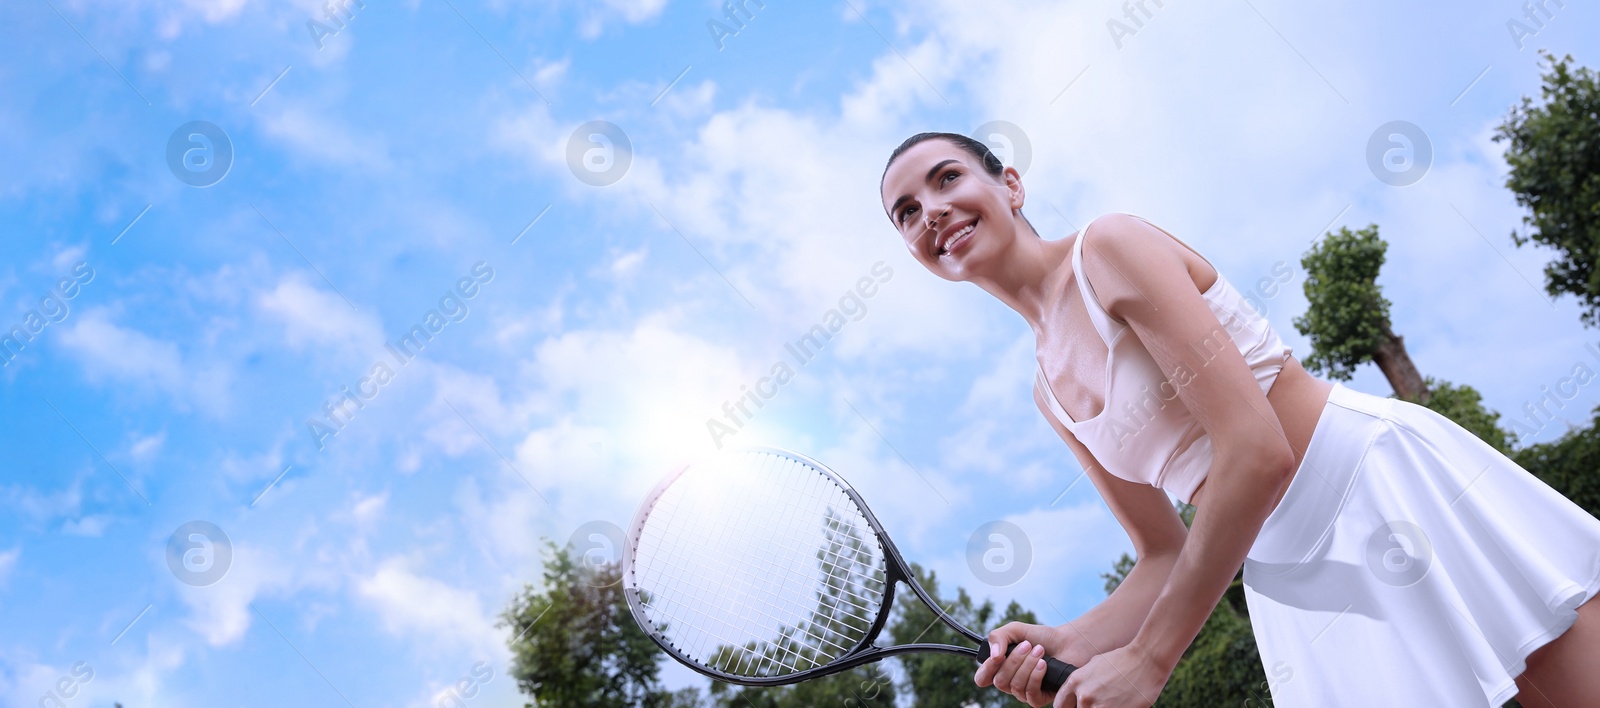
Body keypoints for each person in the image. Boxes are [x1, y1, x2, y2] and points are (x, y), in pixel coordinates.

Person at [877, 131, 1600, 707]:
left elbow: (1257, 450)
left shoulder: (1111, 248)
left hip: (1378, 488)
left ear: (1009, 185)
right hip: (1292, 581)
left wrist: (1152, 658)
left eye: (946, 179)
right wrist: (1073, 637)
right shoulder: (1047, 393)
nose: (930, 210)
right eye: (906, 211)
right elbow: (1162, 553)